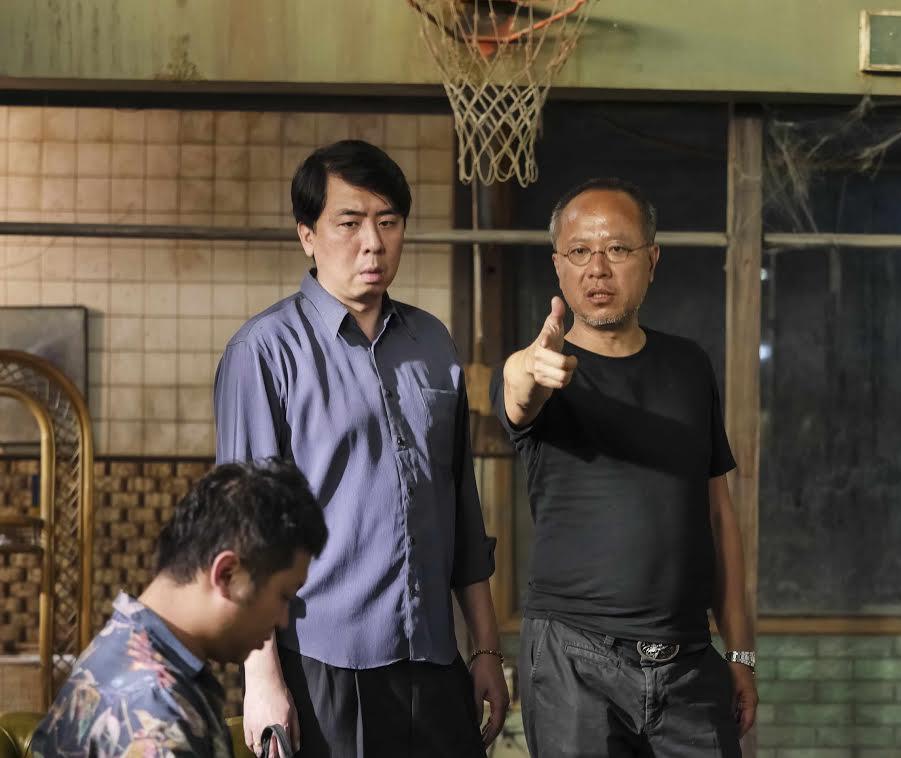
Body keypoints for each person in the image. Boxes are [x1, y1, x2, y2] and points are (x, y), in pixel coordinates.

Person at [214, 139, 508, 757]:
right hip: (323, 663)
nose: (372, 243)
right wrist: (261, 681)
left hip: (434, 656)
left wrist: (485, 647)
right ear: (307, 236)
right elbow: (246, 534)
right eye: (349, 223)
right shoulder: (264, 352)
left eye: (388, 222)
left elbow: (461, 505)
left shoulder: (432, 341)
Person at [491, 177, 758, 758]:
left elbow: (719, 517)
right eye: (579, 251)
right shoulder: (545, 366)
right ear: (558, 265)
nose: (598, 269)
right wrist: (529, 370)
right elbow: (518, 391)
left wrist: (740, 653)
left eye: (616, 249)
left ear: (651, 260)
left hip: (688, 662)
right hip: (573, 662)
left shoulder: (689, 366)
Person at [31, 458, 328, 758]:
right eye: (283, 596)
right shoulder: (157, 719)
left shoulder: (119, 648)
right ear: (226, 573)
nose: (283, 619)